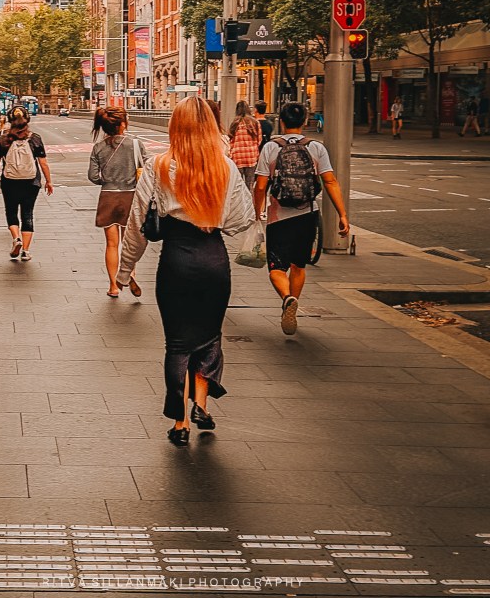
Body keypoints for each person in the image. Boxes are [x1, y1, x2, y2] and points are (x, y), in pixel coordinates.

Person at [118, 97, 255, 445]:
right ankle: (202, 405)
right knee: (209, 337)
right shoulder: (225, 166)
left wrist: (125, 270)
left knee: (177, 344)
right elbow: (242, 220)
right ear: (211, 126)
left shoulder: (159, 165)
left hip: (176, 261)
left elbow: (136, 223)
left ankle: (179, 423)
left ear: (174, 127)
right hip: (213, 260)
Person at [253, 102, 349, 336]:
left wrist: (258, 212)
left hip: (278, 216)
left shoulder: (271, 147)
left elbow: (261, 185)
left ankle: (287, 298)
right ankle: (293, 301)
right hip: (307, 214)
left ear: (281, 122)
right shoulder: (316, 147)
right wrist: (342, 214)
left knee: (276, 268)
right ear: (305, 122)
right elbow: (330, 182)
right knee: (298, 265)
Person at [88, 107, 147, 298]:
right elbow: (147, 169)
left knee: (111, 244)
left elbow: (93, 176)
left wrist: (106, 179)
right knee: (129, 242)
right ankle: (129, 274)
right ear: (122, 124)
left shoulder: (98, 147)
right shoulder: (136, 144)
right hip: (131, 197)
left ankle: (113, 286)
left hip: (108, 197)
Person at [0, 106, 53, 262]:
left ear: (10, 121)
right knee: (27, 214)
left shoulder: (3, 138)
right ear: (27, 120)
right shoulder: (35, 138)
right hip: (32, 182)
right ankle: (25, 250)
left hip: (9, 182)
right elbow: (43, 163)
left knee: (11, 212)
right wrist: (48, 181)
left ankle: (16, 237)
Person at [229, 100, 261, 190]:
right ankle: (249, 202)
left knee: (238, 185)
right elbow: (259, 140)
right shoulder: (255, 122)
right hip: (251, 157)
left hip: (237, 157)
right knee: (249, 184)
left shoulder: (235, 123)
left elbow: (230, 140)